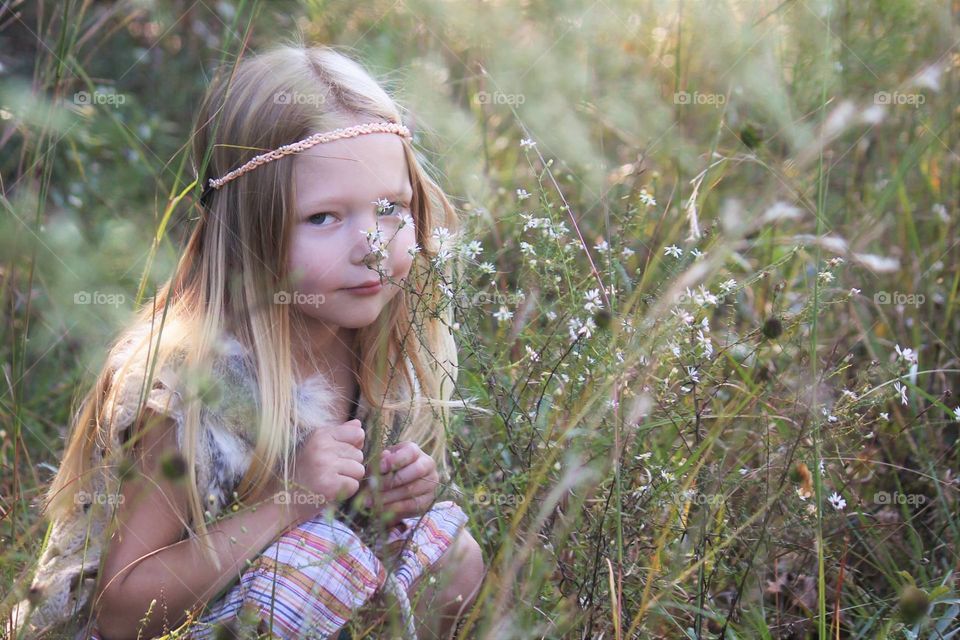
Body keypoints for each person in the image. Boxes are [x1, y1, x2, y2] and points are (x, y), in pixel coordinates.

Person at [8, 42, 486, 640]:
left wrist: (382, 496)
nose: (372, 245)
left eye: (392, 208)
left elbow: (335, 527)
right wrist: (292, 501)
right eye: (323, 218)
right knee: (309, 577)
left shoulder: (373, 342)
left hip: (264, 593)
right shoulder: (192, 383)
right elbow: (121, 608)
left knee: (451, 555)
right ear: (249, 233)